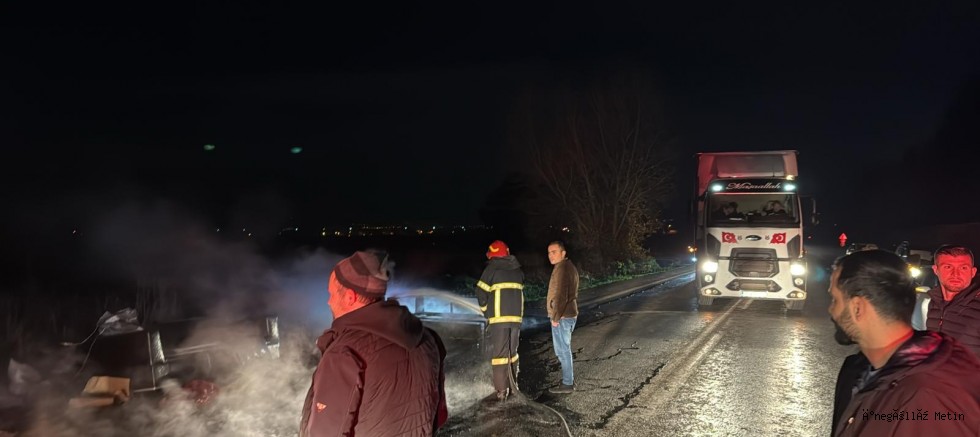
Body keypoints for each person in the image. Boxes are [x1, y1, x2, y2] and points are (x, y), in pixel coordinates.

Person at [829, 250, 980, 436]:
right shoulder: (855, 372)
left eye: (835, 300)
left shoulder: (926, 395)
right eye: (948, 267)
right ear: (936, 270)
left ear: (857, 308)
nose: (831, 310)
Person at [301, 251, 448, 436]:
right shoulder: (428, 339)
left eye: (331, 294)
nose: (329, 301)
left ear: (350, 297)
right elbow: (439, 416)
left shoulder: (343, 353)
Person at [476, 240, 525, 401]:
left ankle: (501, 391)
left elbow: (480, 292)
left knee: (499, 356)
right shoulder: (518, 270)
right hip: (516, 319)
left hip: (498, 319)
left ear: (493, 255)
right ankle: (513, 385)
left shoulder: (492, 269)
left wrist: (486, 311)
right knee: (513, 353)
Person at [925, 244, 980, 355]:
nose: (956, 274)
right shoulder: (934, 302)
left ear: (973, 272)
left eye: (963, 268)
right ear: (936, 270)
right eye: (948, 267)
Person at [546, 240, 580, 394]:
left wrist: (555, 317)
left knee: (562, 350)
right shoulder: (567, 267)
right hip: (567, 314)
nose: (550, 255)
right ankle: (568, 379)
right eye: (549, 253)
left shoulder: (563, 268)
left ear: (563, 253)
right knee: (563, 350)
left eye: (554, 252)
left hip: (563, 316)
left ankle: (568, 383)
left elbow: (561, 295)